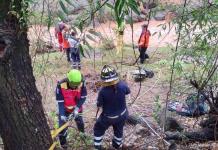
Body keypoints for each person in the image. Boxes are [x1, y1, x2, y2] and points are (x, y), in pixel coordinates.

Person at [93, 65, 131, 150]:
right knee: (119, 130)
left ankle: (97, 146)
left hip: (108, 117)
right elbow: (128, 92)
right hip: (123, 115)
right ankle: (117, 145)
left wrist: (97, 104)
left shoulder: (102, 91)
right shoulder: (122, 85)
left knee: (98, 128)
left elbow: (99, 105)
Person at [56, 69, 87, 148]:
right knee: (62, 128)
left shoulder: (82, 83)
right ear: (69, 81)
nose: (76, 86)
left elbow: (83, 97)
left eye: (77, 84)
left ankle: (82, 135)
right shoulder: (61, 85)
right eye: (74, 85)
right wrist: (62, 114)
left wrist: (77, 108)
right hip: (65, 110)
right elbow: (60, 102)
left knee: (80, 122)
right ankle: (64, 145)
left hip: (77, 108)